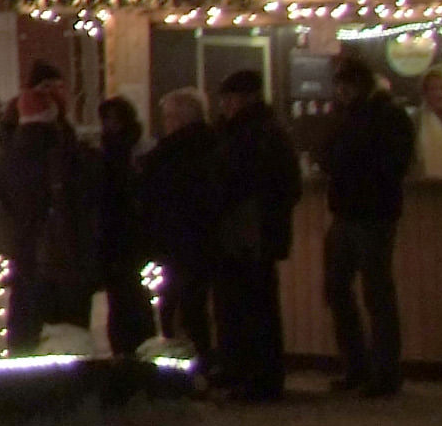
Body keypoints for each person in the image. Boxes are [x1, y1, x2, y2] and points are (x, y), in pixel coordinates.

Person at [315, 53, 414, 395]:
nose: (342, 91)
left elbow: (392, 163)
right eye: (340, 85)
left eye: (347, 85)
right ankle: (361, 368)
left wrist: (347, 165)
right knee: (344, 290)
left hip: (371, 213)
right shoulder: (357, 116)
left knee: (373, 293)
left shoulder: (384, 117)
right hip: (352, 212)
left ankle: (381, 372)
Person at [206, 68, 302, 400]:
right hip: (248, 231)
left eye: (230, 98)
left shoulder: (255, 135)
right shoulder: (262, 132)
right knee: (244, 303)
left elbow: (256, 182)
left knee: (250, 305)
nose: (225, 105)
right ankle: (245, 370)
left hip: (249, 230)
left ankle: (255, 374)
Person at [0, 68, 89, 354]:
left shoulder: (11, 150)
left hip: (25, 243)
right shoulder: (60, 149)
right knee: (61, 321)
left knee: (26, 310)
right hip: (58, 246)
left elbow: (2, 196)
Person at [139, 87, 222, 364]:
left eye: (168, 117)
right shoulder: (215, 146)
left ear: (179, 118)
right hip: (204, 238)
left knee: (174, 305)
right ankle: (203, 359)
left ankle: (181, 361)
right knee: (195, 305)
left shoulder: (169, 154)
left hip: (175, 239)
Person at [96, 93, 154, 353]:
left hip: (126, 234)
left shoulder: (131, 152)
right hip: (121, 234)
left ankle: (130, 348)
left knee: (129, 295)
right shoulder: (117, 151)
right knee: (125, 295)